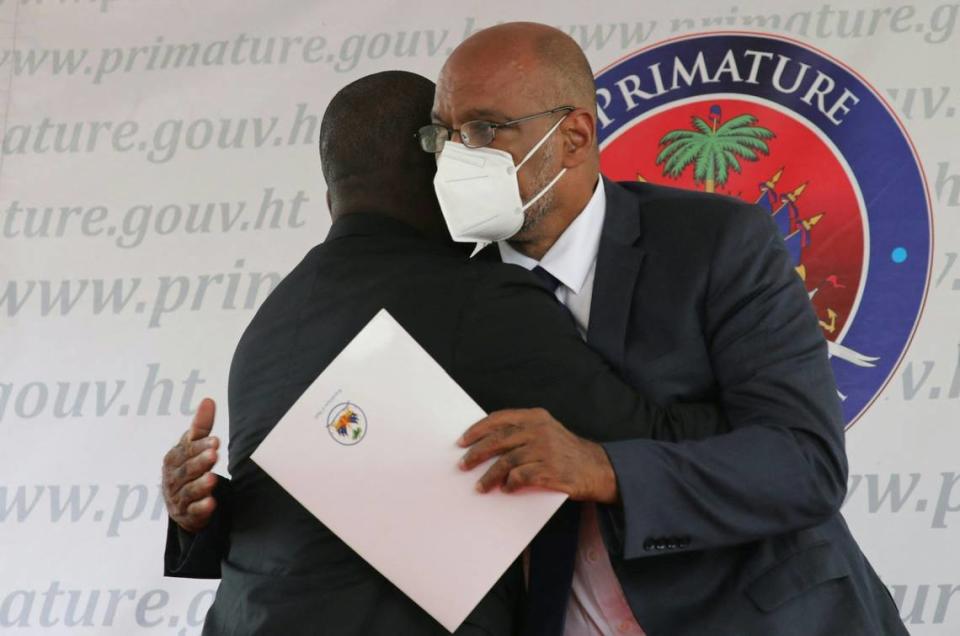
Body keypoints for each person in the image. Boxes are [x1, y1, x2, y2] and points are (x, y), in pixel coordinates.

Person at [163, 70, 729, 635]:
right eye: (463, 143)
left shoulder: (272, 320)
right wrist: (772, 417)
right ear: (436, 164)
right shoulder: (473, 299)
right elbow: (644, 435)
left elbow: (296, 521)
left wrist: (196, 516)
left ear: (331, 190)